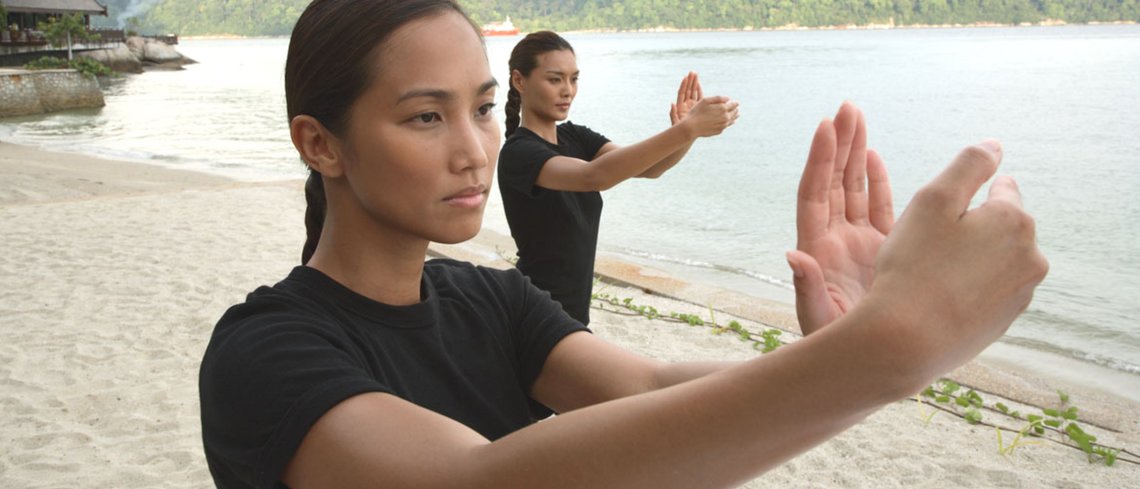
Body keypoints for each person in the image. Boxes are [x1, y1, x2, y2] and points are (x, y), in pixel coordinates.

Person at [198, 1, 1048, 488]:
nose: (473, 146)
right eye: (427, 115)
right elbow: (483, 479)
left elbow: (648, 383)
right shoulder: (266, 352)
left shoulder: (486, 298)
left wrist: (845, 356)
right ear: (320, 143)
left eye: (482, 107)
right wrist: (883, 351)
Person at [498, 30, 739, 325]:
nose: (568, 90)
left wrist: (687, 132)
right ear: (519, 81)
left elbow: (650, 168)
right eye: (555, 79)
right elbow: (594, 176)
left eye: (574, 79)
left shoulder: (575, 136)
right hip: (536, 312)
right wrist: (686, 130)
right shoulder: (519, 153)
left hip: (572, 313)